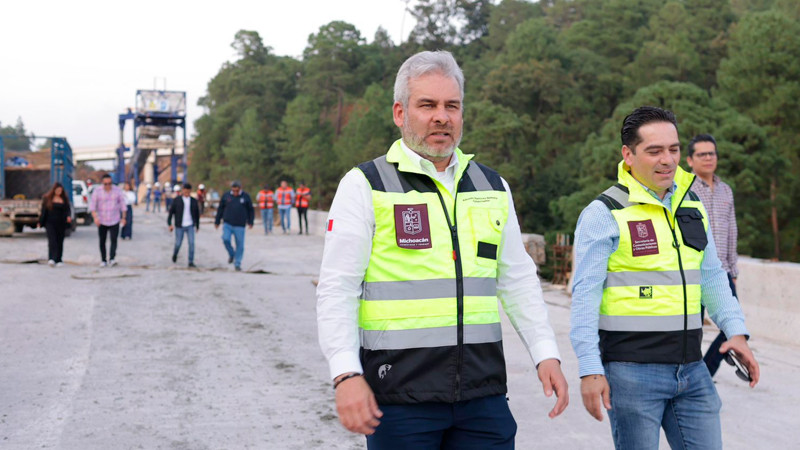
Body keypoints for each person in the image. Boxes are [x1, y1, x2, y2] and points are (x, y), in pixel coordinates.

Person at [316, 50, 568, 449]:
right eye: (427, 105)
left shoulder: (491, 187)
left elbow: (517, 279)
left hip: (482, 399)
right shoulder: (366, 185)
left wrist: (545, 352)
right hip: (400, 401)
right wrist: (346, 374)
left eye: (452, 105)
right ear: (400, 113)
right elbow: (337, 289)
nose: (441, 116)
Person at [570, 106, 760, 449]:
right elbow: (584, 297)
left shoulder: (691, 207)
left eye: (673, 149)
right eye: (654, 151)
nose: (667, 160)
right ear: (628, 155)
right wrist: (589, 369)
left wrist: (736, 331)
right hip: (631, 373)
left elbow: (713, 276)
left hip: (692, 368)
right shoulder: (604, 213)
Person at [686, 134, 741, 378]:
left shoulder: (725, 191)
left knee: (733, 326)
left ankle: (704, 373)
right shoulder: (685, 191)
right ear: (689, 160)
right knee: (692, 330)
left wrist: (733, 270)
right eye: (702, 154)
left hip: (722, 271)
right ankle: (688, 379)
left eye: (712, 153)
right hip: (693, 271)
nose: (708, 158)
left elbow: (732, 231)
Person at [214, 180, 254, 271]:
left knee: (240, 245)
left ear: (240, 188)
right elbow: (220, 208)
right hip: (227, 223)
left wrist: (250, 221)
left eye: (237, 191)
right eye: (234, 190)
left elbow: (250, 210)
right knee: (225, 239)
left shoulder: (246, 196)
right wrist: (217, 221)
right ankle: (232, 254)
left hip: (240, 225)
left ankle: (237, 263)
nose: (235, 193)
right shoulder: (226, 196)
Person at [90, 173, 126, 267]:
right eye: (105, 184)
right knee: (102, 240)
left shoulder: (117, 190)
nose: (108, 185)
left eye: (109, 183)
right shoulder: (97, 191)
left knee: (114, 239)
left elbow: (123, 205)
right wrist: (95, 218)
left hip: (115, 219)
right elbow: (92, 206)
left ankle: (112, 258)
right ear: (102, 183)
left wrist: (124, 218)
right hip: (102, 220)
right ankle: (103, 259)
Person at [38, 182, 72, 267]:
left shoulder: (64, 199)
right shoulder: (47, 199)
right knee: (52, 240)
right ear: (54, 190)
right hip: (50, 223)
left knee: (60, 241)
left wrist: (68, 217)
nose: (59, 192)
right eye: (57, 190)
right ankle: (51, 258)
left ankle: (59, 259)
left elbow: (68, 210)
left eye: (60, 190)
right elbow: (43, 211)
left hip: (61, 223)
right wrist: (40, 222)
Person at [168, 182, 200, 268]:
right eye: (185, 192)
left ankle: (190, 261)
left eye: (188, 192)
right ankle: (175, 254)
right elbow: (171, 213)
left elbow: (197, 214)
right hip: (180, 225)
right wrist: (170, 224)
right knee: (178, 243)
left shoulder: (193, 201)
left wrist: (197, 226)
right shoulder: (177, 200)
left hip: (190, 225)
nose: (187, 194)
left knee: (192, 243)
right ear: (183, 191)